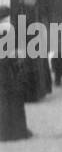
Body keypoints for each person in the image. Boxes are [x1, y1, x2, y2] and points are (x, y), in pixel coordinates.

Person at [0, 7, 33, 141]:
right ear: (7, 17)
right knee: (14, 100)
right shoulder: (11, 30)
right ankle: (18, 130)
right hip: (11, 71)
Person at [15, 0, 52, 102]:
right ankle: (31, 94)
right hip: (28, 41)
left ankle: (37, 92)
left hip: (36, 41)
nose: (33, 0)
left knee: (37, 67)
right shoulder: (22, 10)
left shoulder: (35, 9)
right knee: (30, 67)